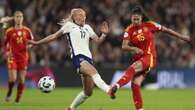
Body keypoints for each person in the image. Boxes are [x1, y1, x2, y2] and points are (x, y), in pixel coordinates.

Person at [28, 8, 114, 110]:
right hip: (78, 58)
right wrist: (37, 43)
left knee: (88, 92)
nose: (82, 17)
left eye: (84, 15)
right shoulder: (69, 26)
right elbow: (53, 36)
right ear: (74, 17)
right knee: (93, 72)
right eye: (79, 15)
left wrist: (104, 34)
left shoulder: (88, 27)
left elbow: (98, 41)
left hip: (88, 59)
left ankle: (70, 108)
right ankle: (109, 89)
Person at [109, 6, 191, 110]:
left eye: (137, 19)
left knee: (131, 69)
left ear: (142, 18)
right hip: (139, 59)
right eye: (133, 19)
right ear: (131, 18)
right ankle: (140, 109)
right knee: (135, 84)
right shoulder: (129, 30)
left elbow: (166, 30)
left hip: (149, 57)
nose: (135, 21)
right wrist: (134, 49)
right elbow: (124, 46)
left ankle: (116, 86)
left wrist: (181, 37)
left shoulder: (150, 25)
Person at [3, 11, 34, 103]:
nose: (19, 18)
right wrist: (6, 52)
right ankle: (9, 92)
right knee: (13, 78)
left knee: (21, 80)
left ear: (23, 18)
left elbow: (32, 42)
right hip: (12, 57)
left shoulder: (27, 31)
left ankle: (18, 98)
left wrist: (29, 46)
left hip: (23, 57)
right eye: (17, 16)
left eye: (20, 16)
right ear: (14, 18)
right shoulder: (9, 31)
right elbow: (4, 44)